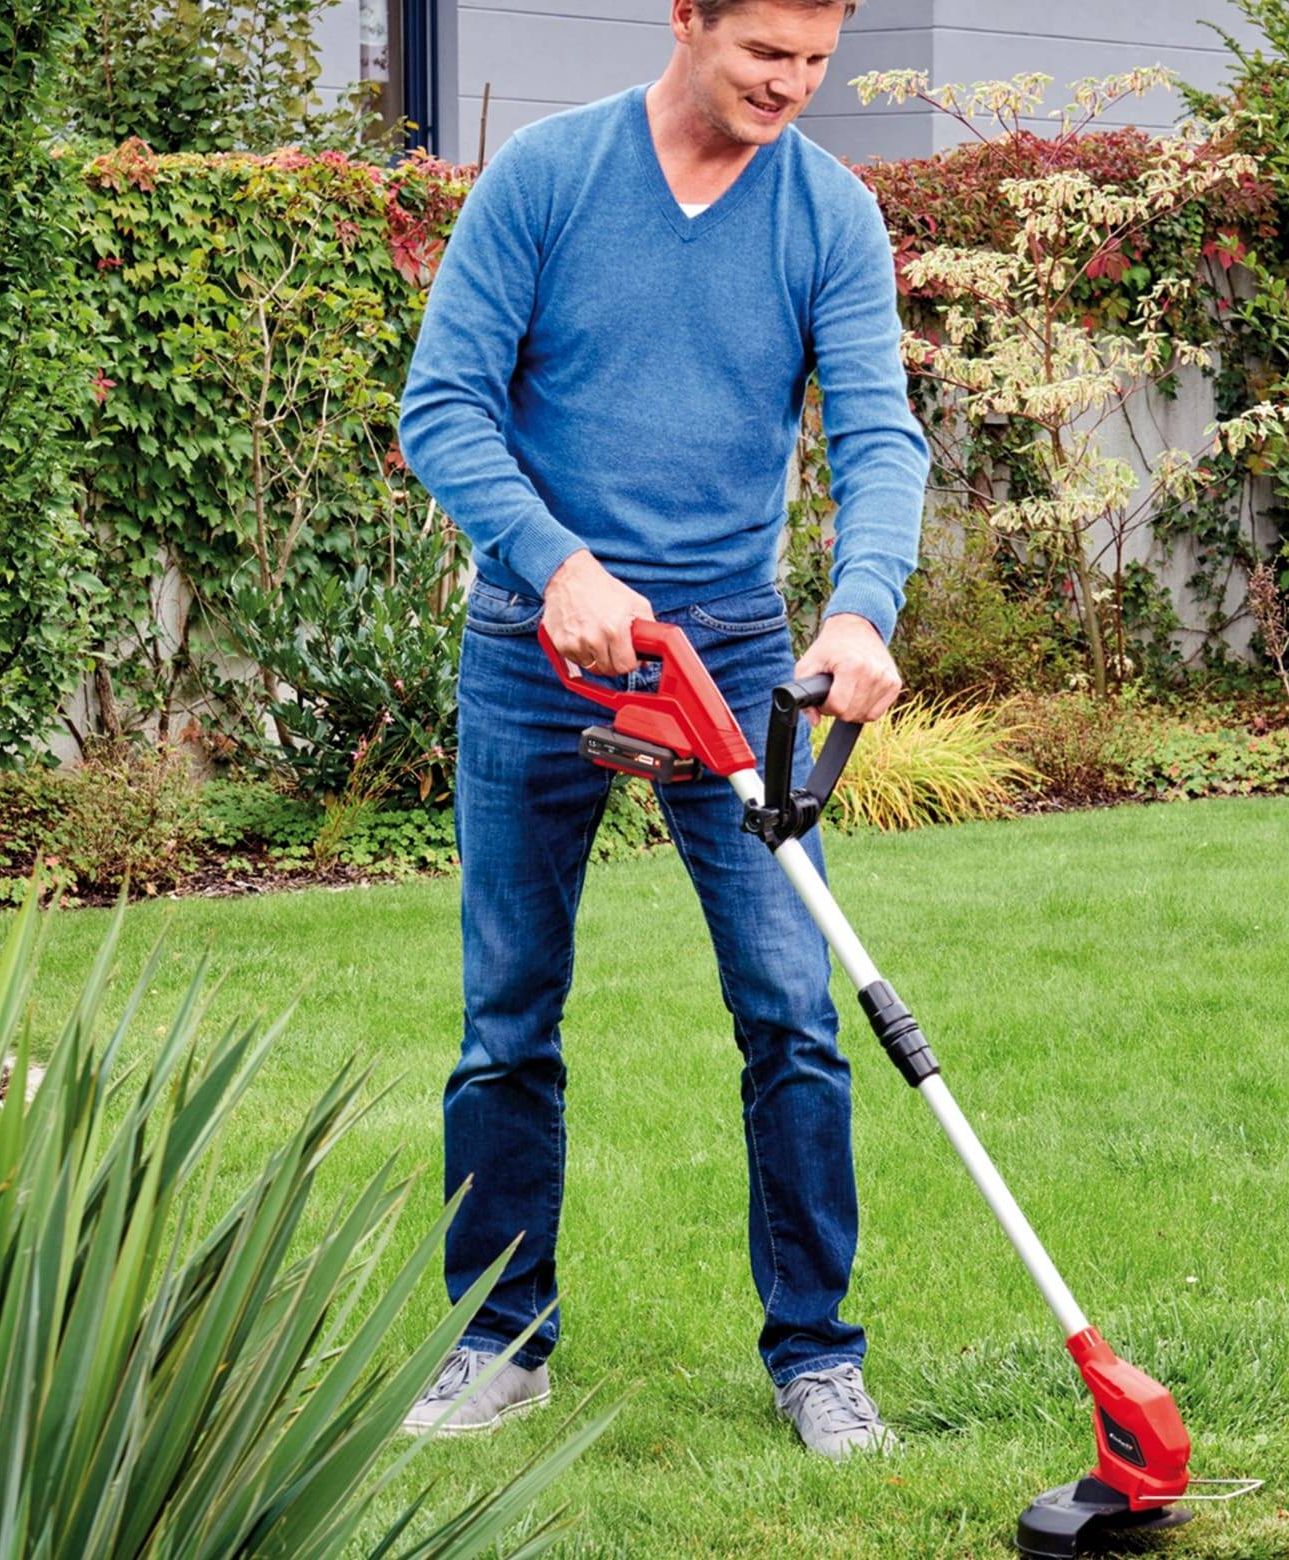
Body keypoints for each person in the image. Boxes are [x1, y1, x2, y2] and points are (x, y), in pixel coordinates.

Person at [395, 0, 927, 1456]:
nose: (793, 88)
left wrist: (862, 607)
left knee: (793, 1013)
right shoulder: (551, 179)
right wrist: (553, 561)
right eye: (766, 53)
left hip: (735, 655)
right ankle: (499, 1343)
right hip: (536, 644)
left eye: (818, 60)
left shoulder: (829, 214)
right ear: (686, 17)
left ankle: (817, 1354)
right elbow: (442, 405)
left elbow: (880, 433)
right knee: (508, 1015)